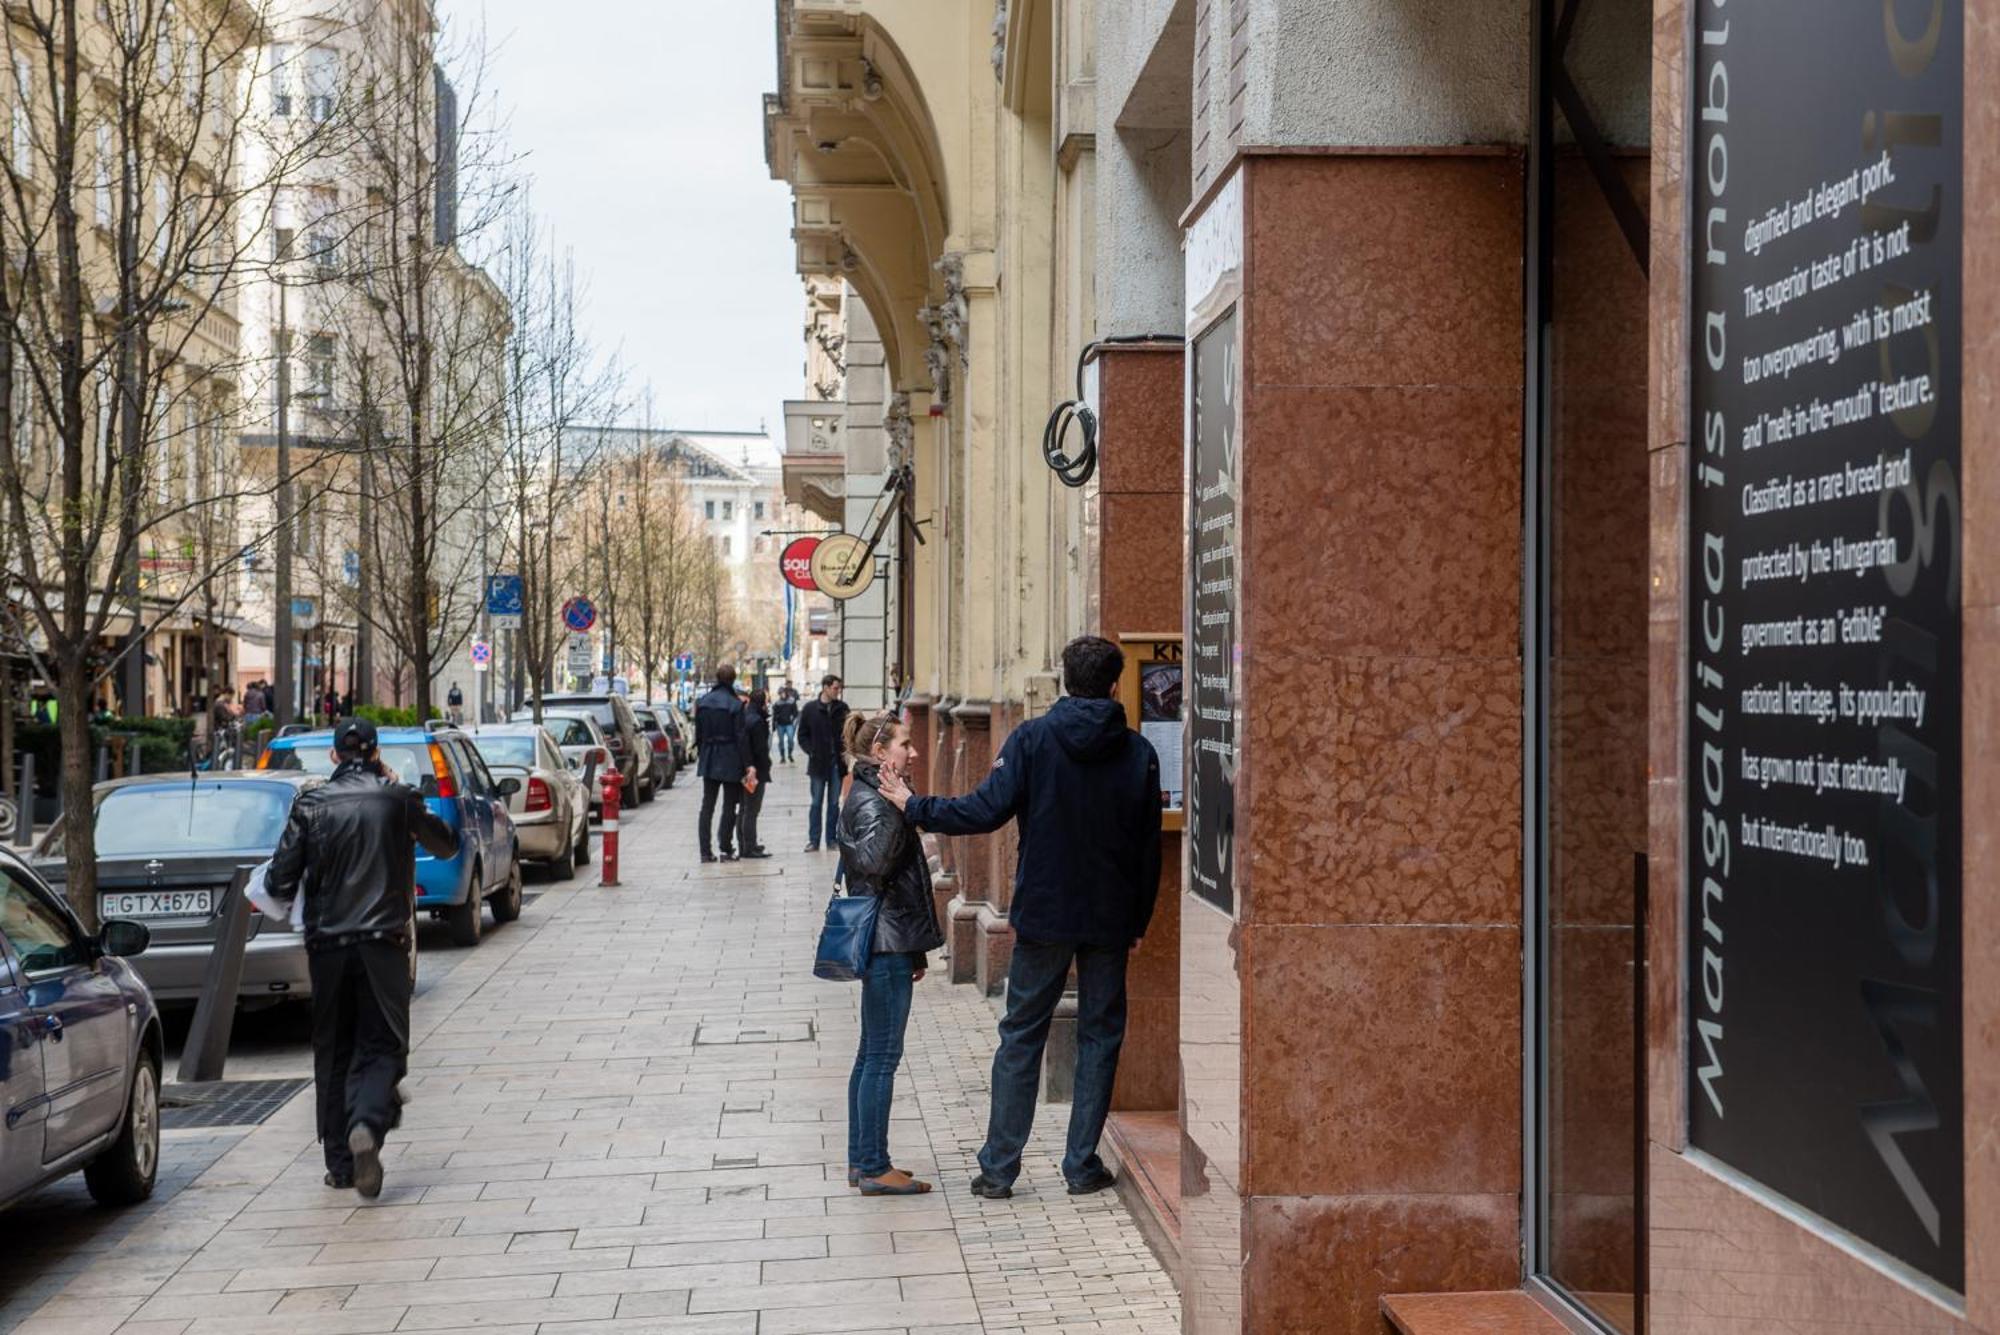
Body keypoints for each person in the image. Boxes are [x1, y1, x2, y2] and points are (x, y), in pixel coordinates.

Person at [879, 635, 1162, 1199]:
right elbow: (1146, 849)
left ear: (1062, 679)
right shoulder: (1138, 752)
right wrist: (1138, 921)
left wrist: (916, 807)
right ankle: (1081, 1166)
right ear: (1113, 685)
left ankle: (999, 1170)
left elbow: (983, 811)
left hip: (1045, 915)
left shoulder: (1032, 740)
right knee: (1100, 1036)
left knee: (1021, 1034)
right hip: (1108, 917)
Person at [268, 717, 456, 1199]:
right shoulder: (397, 799)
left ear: (334, 756)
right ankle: (368, 1124)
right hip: (384, 943)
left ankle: (340, 1165)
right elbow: (445, 843)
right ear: (376, 753)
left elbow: (278, 883)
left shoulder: (309, 805)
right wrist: (402, 796)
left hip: (327, 947)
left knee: (333, 1051)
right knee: (384, 1045)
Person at [839, 710, 944, 1196]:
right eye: (906, 744)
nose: (914, 752)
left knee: (871, 1053)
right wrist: (903, 810)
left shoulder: (867, 794)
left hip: (891, 939)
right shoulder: (876, 801)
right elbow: (876, 865)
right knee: (881, 1056)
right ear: (881, 753)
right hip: (885, 943)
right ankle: (875, 1166)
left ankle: (863, 1160)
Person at [693, 663, 751, 863]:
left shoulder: (703, 702)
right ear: (733, 680)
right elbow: (741, 737)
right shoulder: (735, 705)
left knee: (707, 805)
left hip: (709, 755)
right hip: (730, 757)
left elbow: (698, 734)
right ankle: (726, 848)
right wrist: (748, 764)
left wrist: (703, 753)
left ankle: (704, 851)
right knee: (729, 805)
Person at [794, 674, 849, 852]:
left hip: (836, 764)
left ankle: (832, 839)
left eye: (839, 689)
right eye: (835, 688)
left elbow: (849, 733)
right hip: (818, 764)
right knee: (816, 803)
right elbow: (802, 735)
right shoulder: (810, 709)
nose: (837, 692)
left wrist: (846, 753)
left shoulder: (842, 708)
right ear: (825, 687)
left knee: (834, 804)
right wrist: (812, 751)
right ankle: (814, 840)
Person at [737, 689, 774, 858]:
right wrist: (764, 765)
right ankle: (749, 847)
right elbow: (760, 749)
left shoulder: (744, 716)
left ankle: (744, 844)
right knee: (751, 809)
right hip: (755, 771)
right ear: (762, 703)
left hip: (744, 768)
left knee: (745, 809)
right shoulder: (757, 721)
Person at [772, 685, 800, 764]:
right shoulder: (777, 703)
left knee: (790, 740)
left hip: (789, 724)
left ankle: (790, 754)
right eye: (781, 693)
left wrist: (793, 719)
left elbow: (795, 712)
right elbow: (775, 714)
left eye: (783, 693)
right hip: (780, 724)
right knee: (781, 741)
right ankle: (782, 756)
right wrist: (774, 725)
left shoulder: (791, 701)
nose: (782, 694)